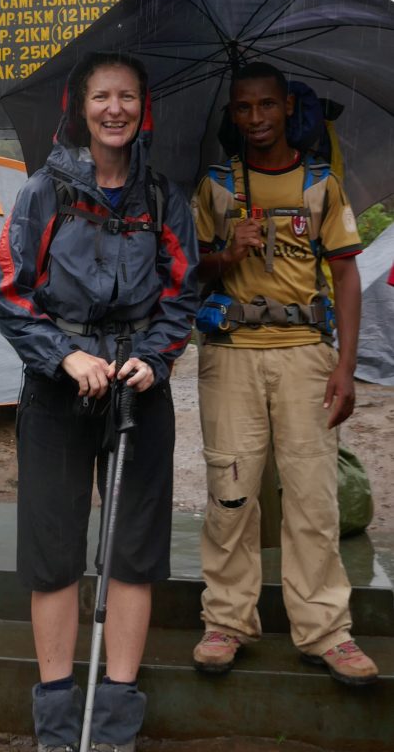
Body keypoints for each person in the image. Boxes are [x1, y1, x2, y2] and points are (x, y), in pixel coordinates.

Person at [0, 52, 198, 751]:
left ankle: (112, 725)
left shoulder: (163, 198)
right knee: (53, 552)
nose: (116, 109)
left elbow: (182, 294)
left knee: (132, 552)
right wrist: (63, 355)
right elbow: (10, 294)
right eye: (102, 96)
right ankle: (55, 723)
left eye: (128, 97)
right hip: (57, 392)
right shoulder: (42, 193)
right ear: (81, 107)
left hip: (138, 391)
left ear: (144, 108)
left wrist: (155, 356)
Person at [190, 61, 379, 686]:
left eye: (266, 106)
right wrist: (226, 252)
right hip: (231, 354)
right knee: (231, 492)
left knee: (312, 495)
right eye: (243, 108)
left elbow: (347, 274)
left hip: (305, 355)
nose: (255, 119)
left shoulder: (321, 182)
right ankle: (227, 621)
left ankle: (326, 630)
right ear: (232, 115)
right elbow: (187, 273)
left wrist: (346, 367)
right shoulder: (217, 185)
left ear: (287, 107)